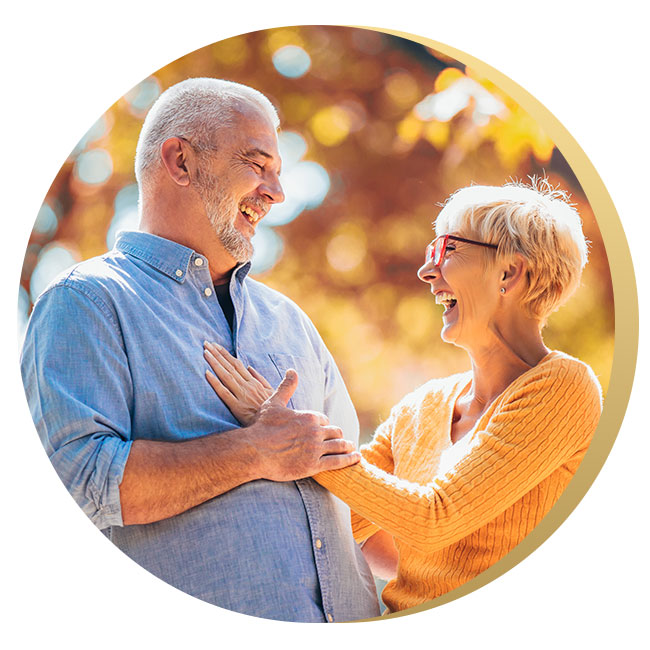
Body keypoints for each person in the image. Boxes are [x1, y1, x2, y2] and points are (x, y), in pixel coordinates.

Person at [20, 78, 380, 623]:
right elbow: (79, 484)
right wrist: (254, 451)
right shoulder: (87, 303)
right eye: (258, 164)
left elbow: (355, 499)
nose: (277, 191)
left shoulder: (292, 322)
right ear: (181, 161)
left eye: (278, 172)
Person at [202, 180, 603, 614]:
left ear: (509, 272)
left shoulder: (563, 386)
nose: (427, 272)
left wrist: (296, 437)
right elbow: (349, 515)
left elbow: (435, 518)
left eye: (447, 250)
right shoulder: (423, 406)